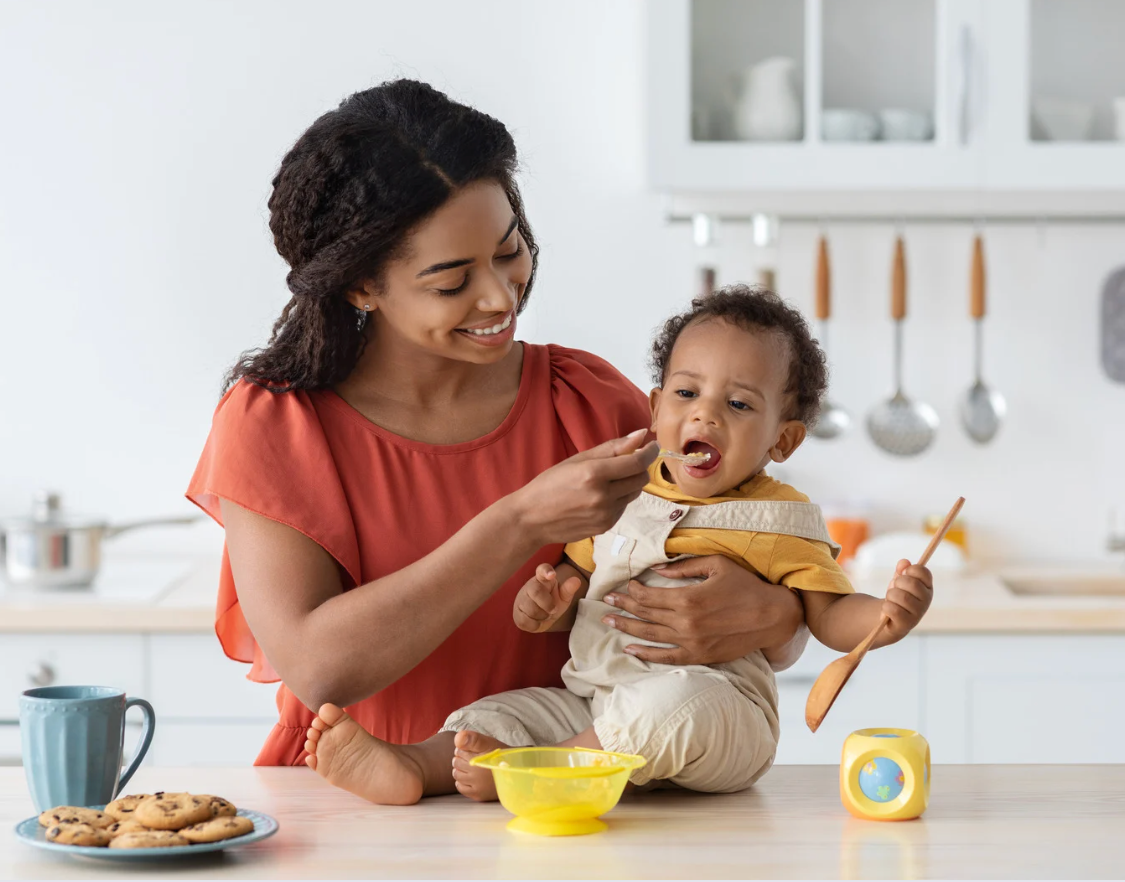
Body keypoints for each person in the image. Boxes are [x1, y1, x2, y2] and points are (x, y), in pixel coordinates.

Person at [185, 80, 811, 790]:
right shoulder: (279, 424)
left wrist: (775, 614)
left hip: (561, 810)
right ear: (361, 286)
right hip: (353, 808)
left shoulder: (586, 400)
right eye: (451, 282)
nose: (500, 295)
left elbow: (758, 590)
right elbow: (318, 667)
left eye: (509, 250)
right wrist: (521, 521)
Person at [303, 285, 934, 803]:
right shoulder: (622, 491)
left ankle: (546, 774)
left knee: (679, 703)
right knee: (502, 714)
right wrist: (544, 603)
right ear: (655, 409)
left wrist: (888, 614)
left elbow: (828, 618)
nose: (705, 415)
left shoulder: (780, 519)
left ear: (783, 439)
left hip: (720, 713)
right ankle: (418, 766)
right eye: (686, 393)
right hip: (593, 703)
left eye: (739, 404)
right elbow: (572, 584)